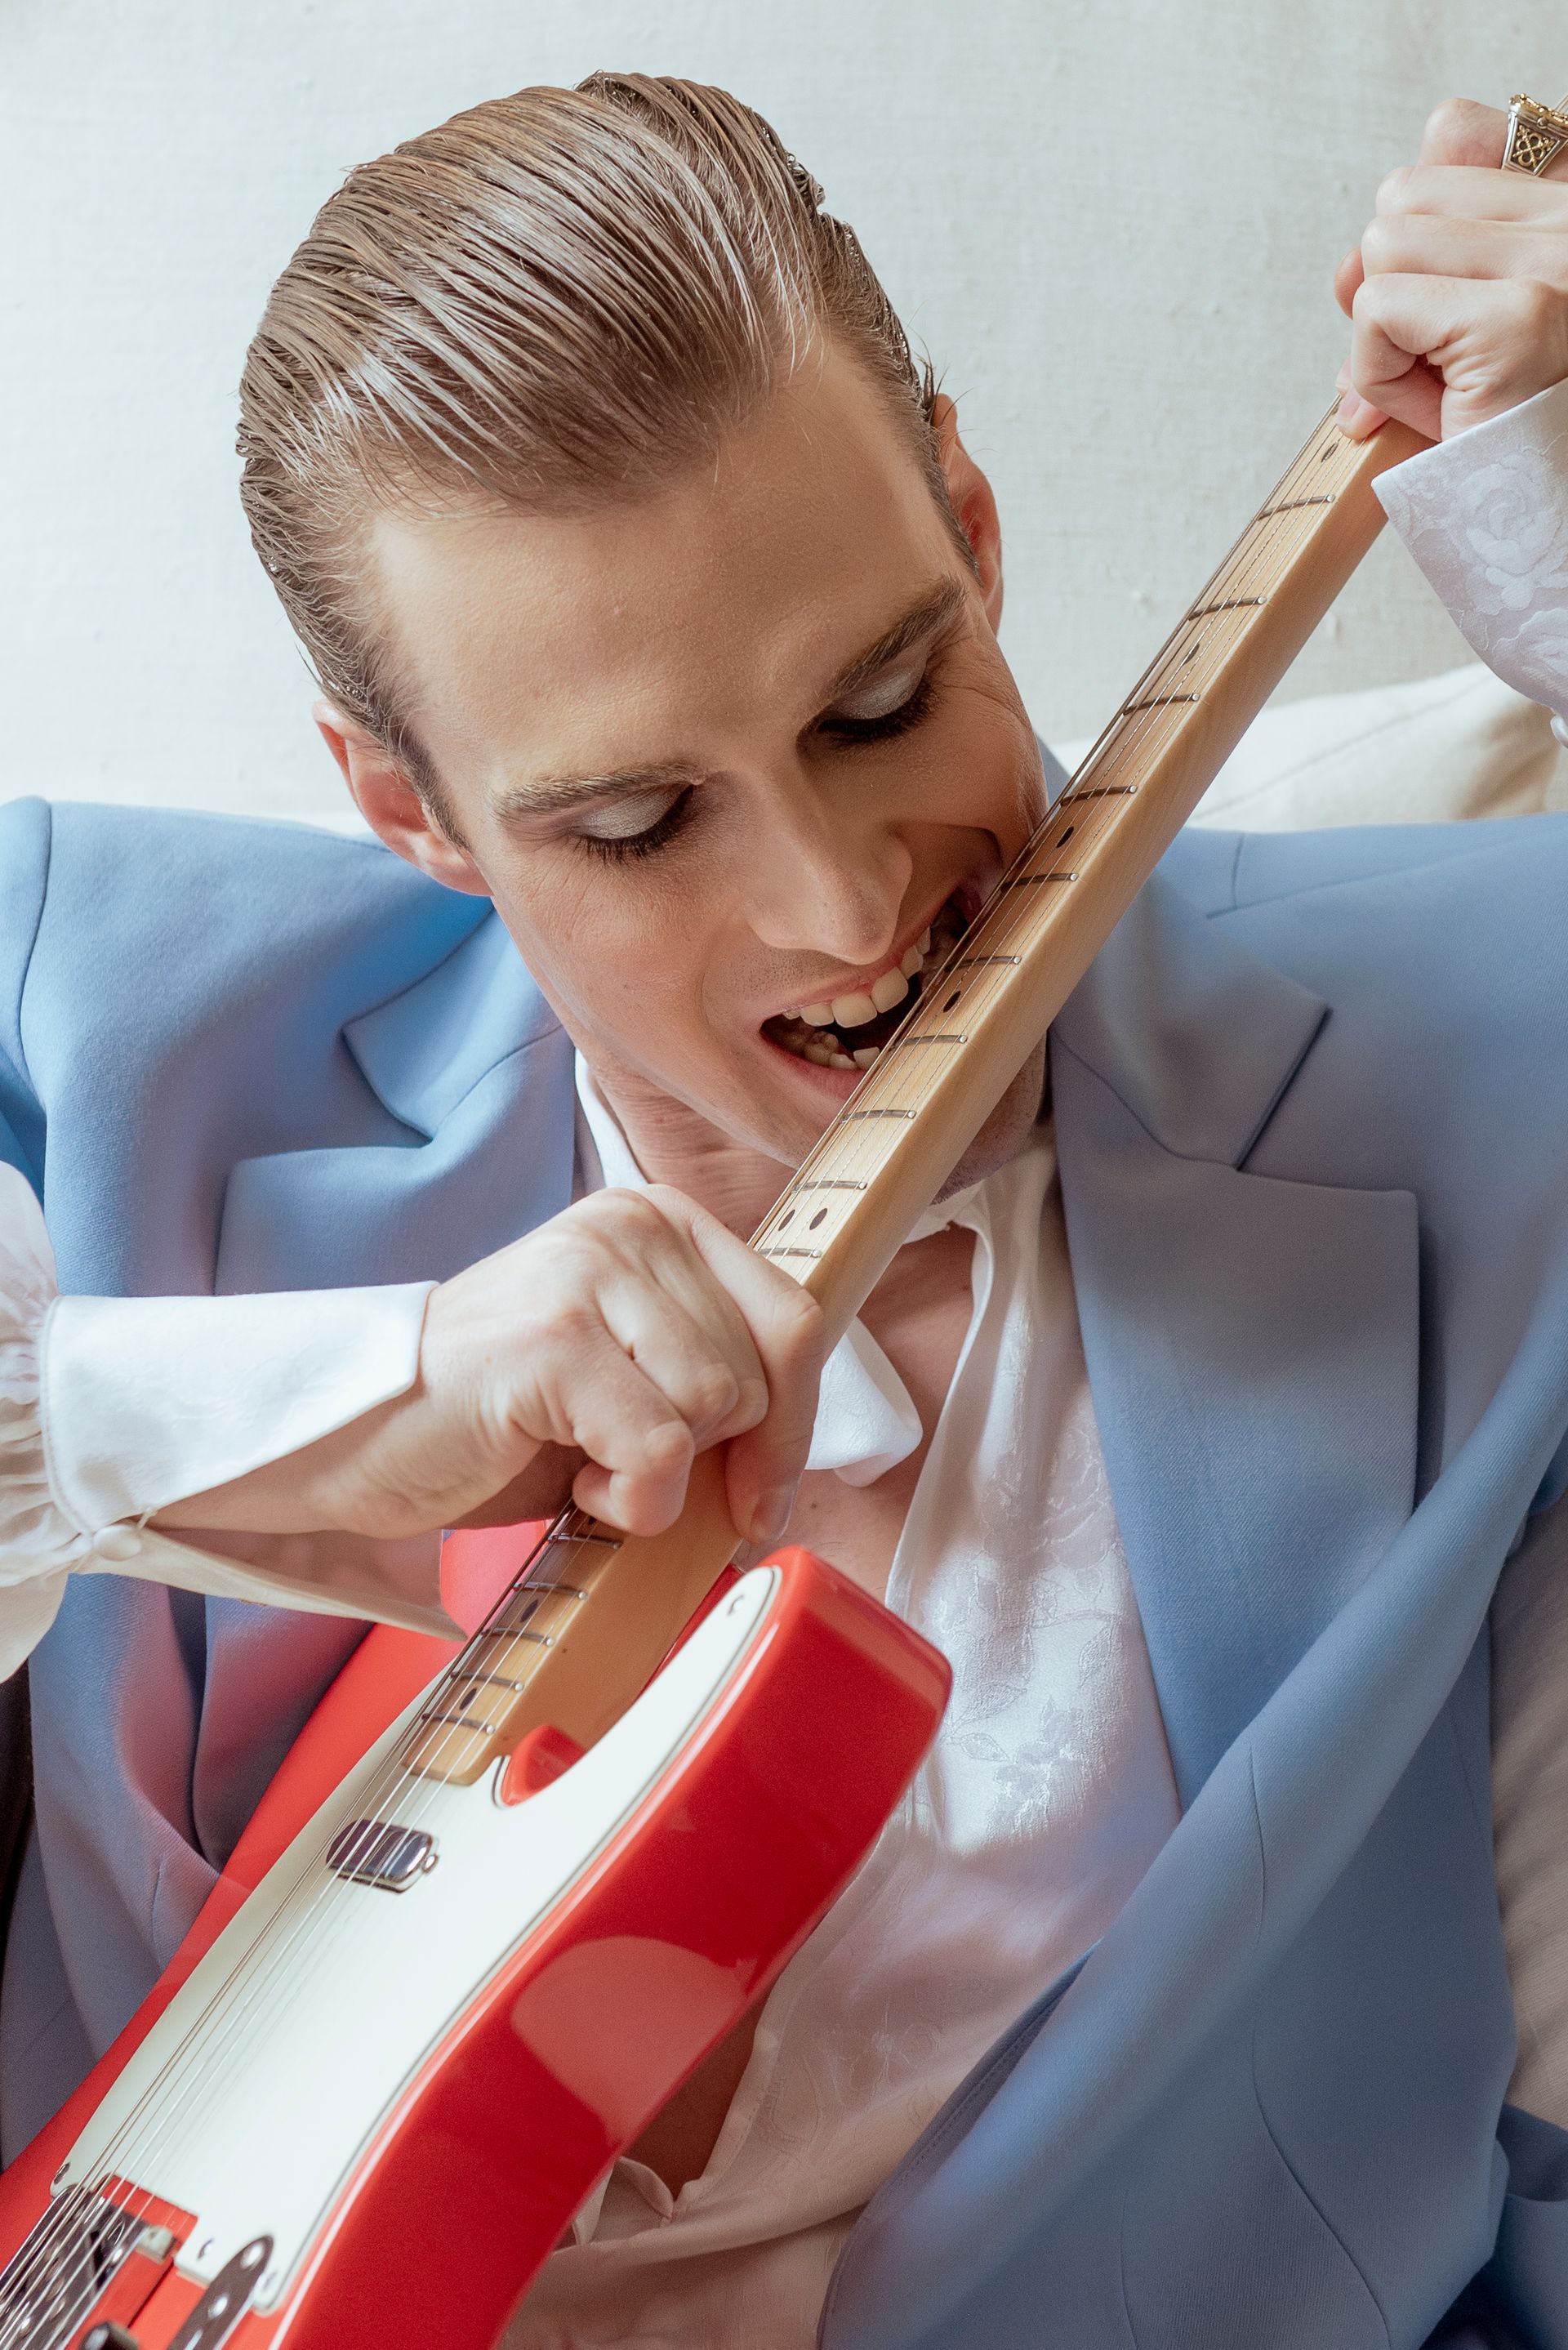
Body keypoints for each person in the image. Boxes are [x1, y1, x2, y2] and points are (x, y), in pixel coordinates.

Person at [2, 69, 1568, 2349]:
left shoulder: (1490, 1040)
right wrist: (328, 1400)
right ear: (408, 807)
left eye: (884, 700)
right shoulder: (99, 1009)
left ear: (973, 522)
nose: (844, 905)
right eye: (638, 824)